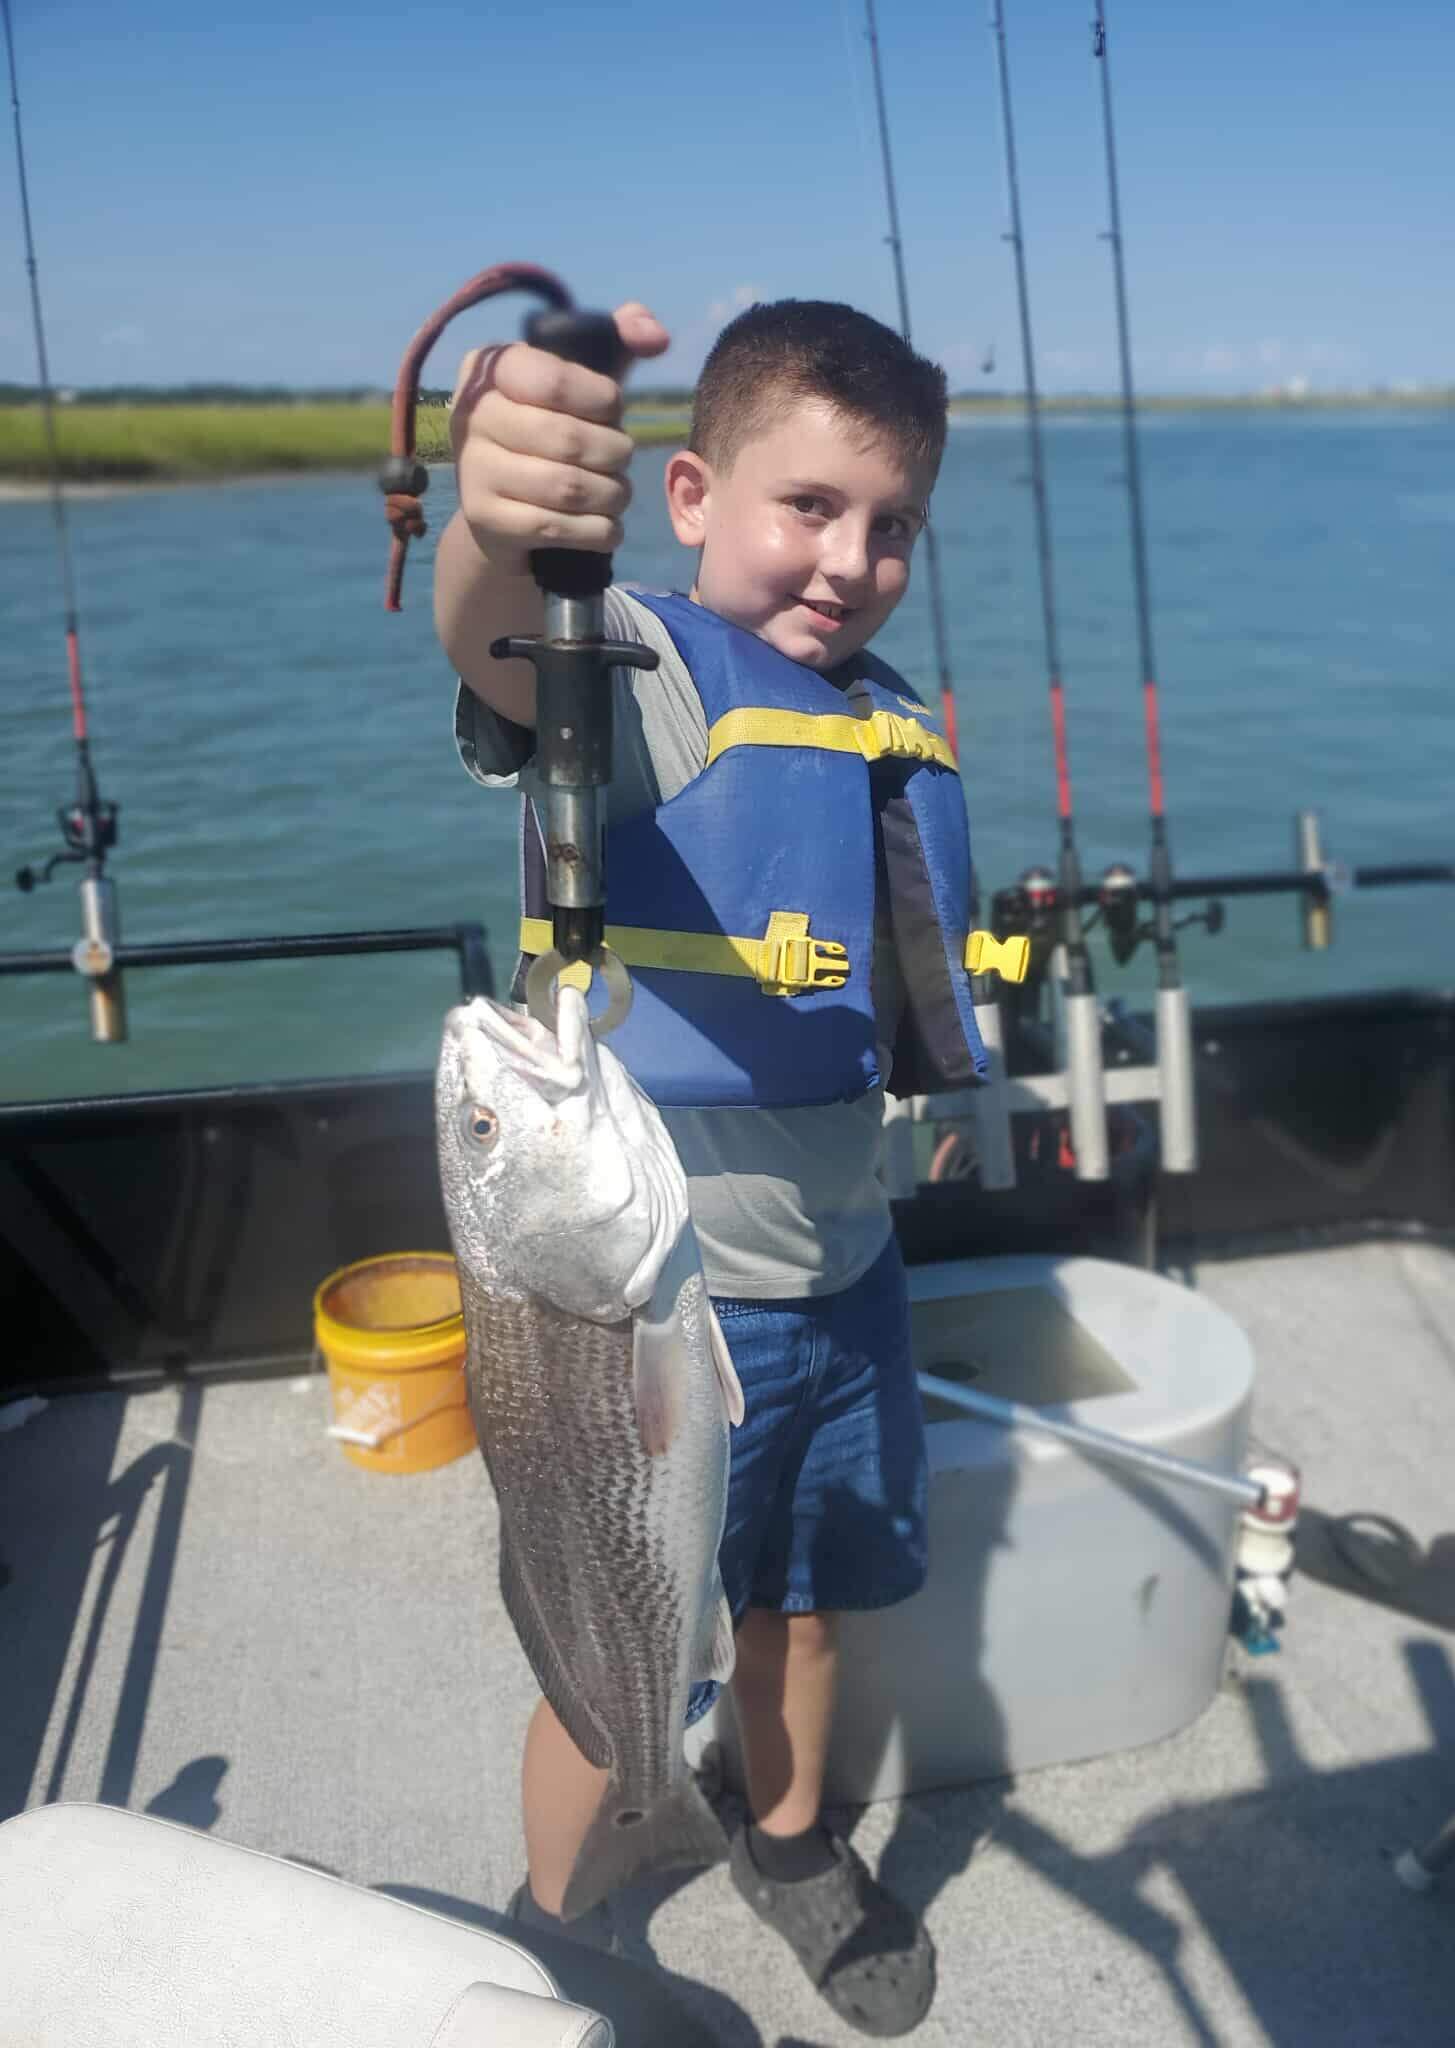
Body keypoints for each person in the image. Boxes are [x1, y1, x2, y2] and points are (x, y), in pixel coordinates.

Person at [435, 296, 991, 2038]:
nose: (850, 560)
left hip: (851, 1281)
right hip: (651, 1326)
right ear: (688, 496)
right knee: (616, 1632)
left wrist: (938, 1092)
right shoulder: (652, 678)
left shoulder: (884, 723)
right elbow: (502, 638)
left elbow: (885, 970)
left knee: (808, 1618)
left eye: (890, 525)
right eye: (806, 506)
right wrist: (498, 527)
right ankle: (553, 1910)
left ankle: (791, 1834)